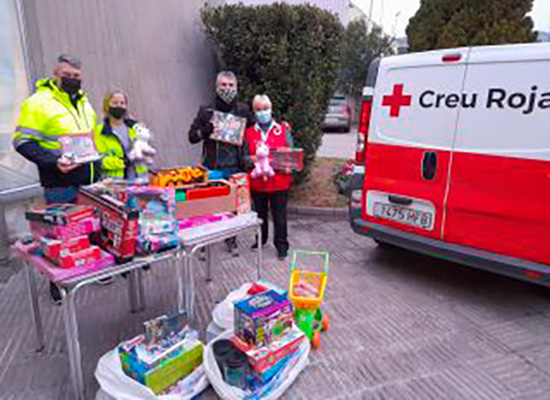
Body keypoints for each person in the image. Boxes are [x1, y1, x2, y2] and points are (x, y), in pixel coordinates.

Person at [13, 54, 99, 304]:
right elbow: (22, 142)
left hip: (88, 180)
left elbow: (89, 138)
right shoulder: (39, 103)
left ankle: (85, 273)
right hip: (59, 183)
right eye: (67, 75)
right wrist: (54, 161)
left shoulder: (83, 102)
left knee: (86, 232)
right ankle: (58, 284)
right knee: (61, 235)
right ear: (56, 74)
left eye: (76, 77)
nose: (72, 80)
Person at [188, 71, 253, 257]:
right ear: (217, 87)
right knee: (209, 207)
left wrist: (281, 125)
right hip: (213, 167)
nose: (227, 88)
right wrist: (204, 131)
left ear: (236, 88)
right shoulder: (206, 110)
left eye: (231, 85)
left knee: (233, 207)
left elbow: (256, 129)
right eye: (223, 85)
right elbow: (191, 137)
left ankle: (231, 240)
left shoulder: (242, 110)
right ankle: (204, 244)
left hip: (235, 167)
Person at [244, 95, 293, 260]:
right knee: (260, 214)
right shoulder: (249, 133)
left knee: (279, 216)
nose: (262, 112)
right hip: (258, 183)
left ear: (271, 110)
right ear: (254, 112)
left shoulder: (283, 130)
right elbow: (243, 157)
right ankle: (260, 240)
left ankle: (282, 246)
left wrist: (287, 164)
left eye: (265, 108)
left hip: (279, 182)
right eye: (258, 109)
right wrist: (252, 159)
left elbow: (292, 155)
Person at [94, 89, 149, 180]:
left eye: (122, 103)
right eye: (115, 103)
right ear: (107, 107)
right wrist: (122, 162)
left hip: (139, 183)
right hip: (114, 185)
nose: (119, 106)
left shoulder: (137, 129)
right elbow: (99, 161)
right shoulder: (100, 132)